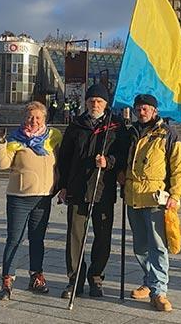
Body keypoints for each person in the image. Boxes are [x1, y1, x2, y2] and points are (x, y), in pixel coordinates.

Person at [56, 84, 128, 299]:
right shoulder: (76, 125)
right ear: (86, 102)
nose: (95, 104)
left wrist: (110, 161)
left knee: (102, 236)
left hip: (102, 189)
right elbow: (65, 158)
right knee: (75, 236)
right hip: (77, 189)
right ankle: (75, 279)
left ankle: (96, 277)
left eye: (99, 101)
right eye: (91, 101)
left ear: (106, 104)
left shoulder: (116, 126)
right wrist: (63, 185)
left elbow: (124, 155)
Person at [0, 101, 63, 300]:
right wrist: (0, 143)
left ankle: (36, 276)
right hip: (19, 197)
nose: (34, 121)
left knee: (37, 239)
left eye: (38, 117)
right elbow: (2, 165)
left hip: (43, 197)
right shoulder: (15, 139)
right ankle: (7, 279)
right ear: (25, 118)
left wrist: (61, 186)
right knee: (14, 239)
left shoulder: (53, 137)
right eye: (31, 117)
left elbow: (59, 164)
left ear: (44, 119)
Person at [123, 94, 181, 312]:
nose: (141, 112)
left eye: (145, 109)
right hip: (133, 197)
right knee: (140, 246)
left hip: (156, 198)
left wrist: (176, 195)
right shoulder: (130, 132)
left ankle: (159, 291)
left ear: (154, 111)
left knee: (158, 247)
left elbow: (180, 168)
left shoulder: (168, 134)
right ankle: (149, 281)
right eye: (138, 109)